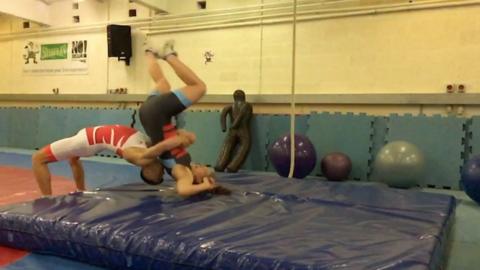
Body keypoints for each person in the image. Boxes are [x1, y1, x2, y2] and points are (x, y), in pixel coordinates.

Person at [140, 40, 230, 197]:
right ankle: (148, 52)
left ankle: (168, 54)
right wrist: (185, 137)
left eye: (206, 172)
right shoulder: (185, 165)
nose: (205, 168)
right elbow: (175, 141)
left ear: (199, 179)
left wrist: (205, 187)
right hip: (149, 114)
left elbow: (183, 190)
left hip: (158, 114)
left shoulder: (183, 173)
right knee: (162, 83)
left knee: (199, 87)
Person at [31, 124, 195, 196]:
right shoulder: (148, 150)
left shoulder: (137, 158)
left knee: (38, 158)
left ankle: (47, 200)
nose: (159, 174)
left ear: (147, 173)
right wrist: (178, 136)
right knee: (73, 159)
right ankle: (81, 190)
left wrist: (176, 140)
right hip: (88, 137)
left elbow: (158, 149)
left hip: (88, 140)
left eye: (157, 177)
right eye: (161, 175)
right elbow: (162, 146)